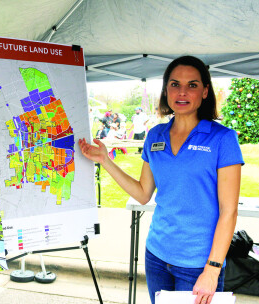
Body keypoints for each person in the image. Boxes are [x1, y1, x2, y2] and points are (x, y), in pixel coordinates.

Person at [79, 56, 243, 304]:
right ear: (166, 90)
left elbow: (228, 211)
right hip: (157, 255)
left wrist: (212, 269)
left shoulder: (223, 139)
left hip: (197, 263)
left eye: (193, 85)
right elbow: (144, 193)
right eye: (175, 84)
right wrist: (105, 160)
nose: (182, 92)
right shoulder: (156, 135)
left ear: (205, 91)